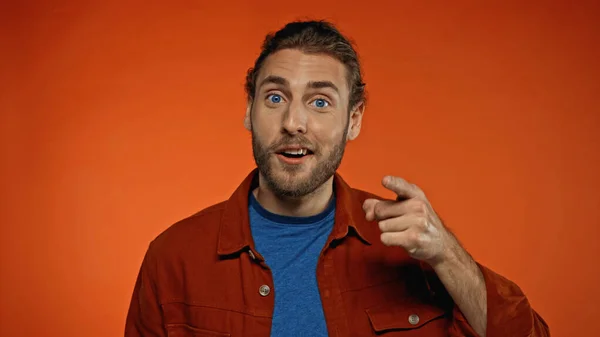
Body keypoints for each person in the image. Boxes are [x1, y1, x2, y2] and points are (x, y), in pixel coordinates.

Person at [125, 20, 549, 337]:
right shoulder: (172, 258)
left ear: (354, 120)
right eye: (275, 97)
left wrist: (447, 257)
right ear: (249, 109)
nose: (294, 122)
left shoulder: (411, 251)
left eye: (320, 101)